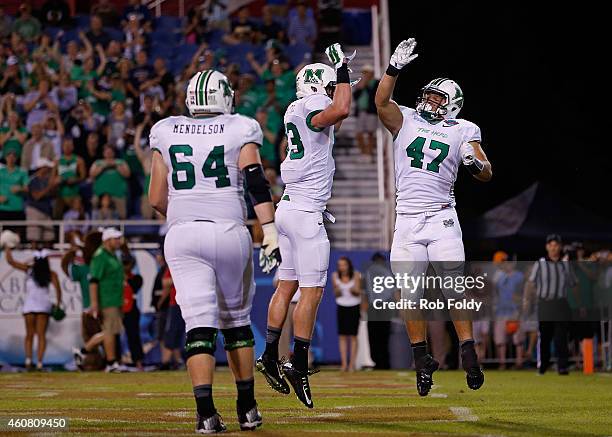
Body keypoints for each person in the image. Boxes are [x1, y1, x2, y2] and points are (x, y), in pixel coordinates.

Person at [147, 69, 281, 432]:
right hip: (228, 230)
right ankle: (247, 407)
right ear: (224, 97)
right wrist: (268, 230)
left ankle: (206, 413)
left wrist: (187, 212)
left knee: (198, 324)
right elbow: (255, 180)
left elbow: (157, 197)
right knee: (236, 321)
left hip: (183, 234)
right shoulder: (240, 126)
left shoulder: (165, 128)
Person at [375, 38, 492, 396]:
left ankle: (468, 349)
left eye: (437, 98)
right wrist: (393, 69)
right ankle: (421, 358)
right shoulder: (406, 118)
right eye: (427, 95)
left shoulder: (463, 129)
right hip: (407, 220)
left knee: (454, 286)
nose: (428, 101)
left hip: (441, 217)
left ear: (452, 105)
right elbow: (380, 102)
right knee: (407, 292)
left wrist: (477, 164)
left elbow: (486, 169)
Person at [257, 43, 354, 408]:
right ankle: (297, 364)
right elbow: (340, 108)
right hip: (306, 213)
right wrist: (341, 71)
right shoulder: (314, 106)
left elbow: (337, 115)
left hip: (288, 207)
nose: (331, 95)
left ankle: (269, 354)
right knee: (311, 292)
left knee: (286, 286)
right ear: (317, 89)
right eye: (327, 88)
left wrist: (342, 79)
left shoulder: (295, 108)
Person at [524, 234, 577, 375]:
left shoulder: (565, 263)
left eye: (556, 245)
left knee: (561, 336)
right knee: (545, 336)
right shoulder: (540, 263)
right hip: (545, 303)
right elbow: (531, 282)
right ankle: (543, 366)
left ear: (560, 247)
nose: (553, 248)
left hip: (560, 303)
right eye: (551, 245)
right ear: (547, 247)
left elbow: (573, 283)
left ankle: (562, 366)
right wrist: (528, 299)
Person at [4, 246, 61, 370]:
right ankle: (39, 363)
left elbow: (11, 261)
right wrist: (58, 304)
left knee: (30, 334)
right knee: (40, 335)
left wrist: (7, 246)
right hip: (43, 305)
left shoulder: (29, 270)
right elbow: (58, 290)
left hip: (31, 305)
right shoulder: (50, 273)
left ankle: (29, 361)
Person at [65, 230, 105, 370]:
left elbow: (68, 269)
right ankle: (85, 356)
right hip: (93, 309)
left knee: (106, 338)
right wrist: (72, 252)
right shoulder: (88, 267)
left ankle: (87, 357)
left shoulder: (94, 265)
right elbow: (68, 269)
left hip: (93, 309)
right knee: (108, 335)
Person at [89, 227, 125, 373]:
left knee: (112, 331)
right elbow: (93, 280)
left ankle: (85, 350)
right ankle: (111, 363)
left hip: (115, 299)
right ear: (107, 240)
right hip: (107, 299)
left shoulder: (113, 255)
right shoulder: (100, 256)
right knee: (109, 331)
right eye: (115, 238)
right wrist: (95, 304)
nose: (118, 241)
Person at [363, 252, 395, 369]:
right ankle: (383, 361)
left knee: (375, 335)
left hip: (375, 306)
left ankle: (378, 360)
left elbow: (365, 293)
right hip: (384, 306)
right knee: (383, 335)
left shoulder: (369, 272)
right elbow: (394, 292)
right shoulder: (387, 272)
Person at [332, 257, 362, 372]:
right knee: (342, 336)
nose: (342, 267)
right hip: (342, 306)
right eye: (340, 265)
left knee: (353, 336)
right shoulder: (335, 276)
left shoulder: (356, 275)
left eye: (344, 265)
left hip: (354, 306)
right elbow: (336, 294)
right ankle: (344, 364)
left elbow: (358, 291)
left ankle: (352, 364)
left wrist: (354, 290)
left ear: (348, 265)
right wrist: (337, 289)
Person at [89, 145, 131, 218]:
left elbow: (127, 174)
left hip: (118, 194)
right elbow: (92, 175)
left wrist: (116, 166)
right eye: (107, 152)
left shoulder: (120, 162)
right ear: (103, 153)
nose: (108, 154)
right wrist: (103, 167)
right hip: (100, 195)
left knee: (122, 216)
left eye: (110, 152)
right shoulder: (98, 163)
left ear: (114, 153)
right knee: (95, 208)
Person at [25, 158, 59, 242]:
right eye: (47, 167)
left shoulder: (47, 180)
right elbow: (37, 197)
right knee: (34, 237)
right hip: (34, 210)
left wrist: (54, 186)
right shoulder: (33, 180)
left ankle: (46, 254)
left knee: (49, 237)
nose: (49, 170)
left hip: (46, 210)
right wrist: (50, 186)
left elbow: (53, 195)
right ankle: (33, 255)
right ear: (42, 168)